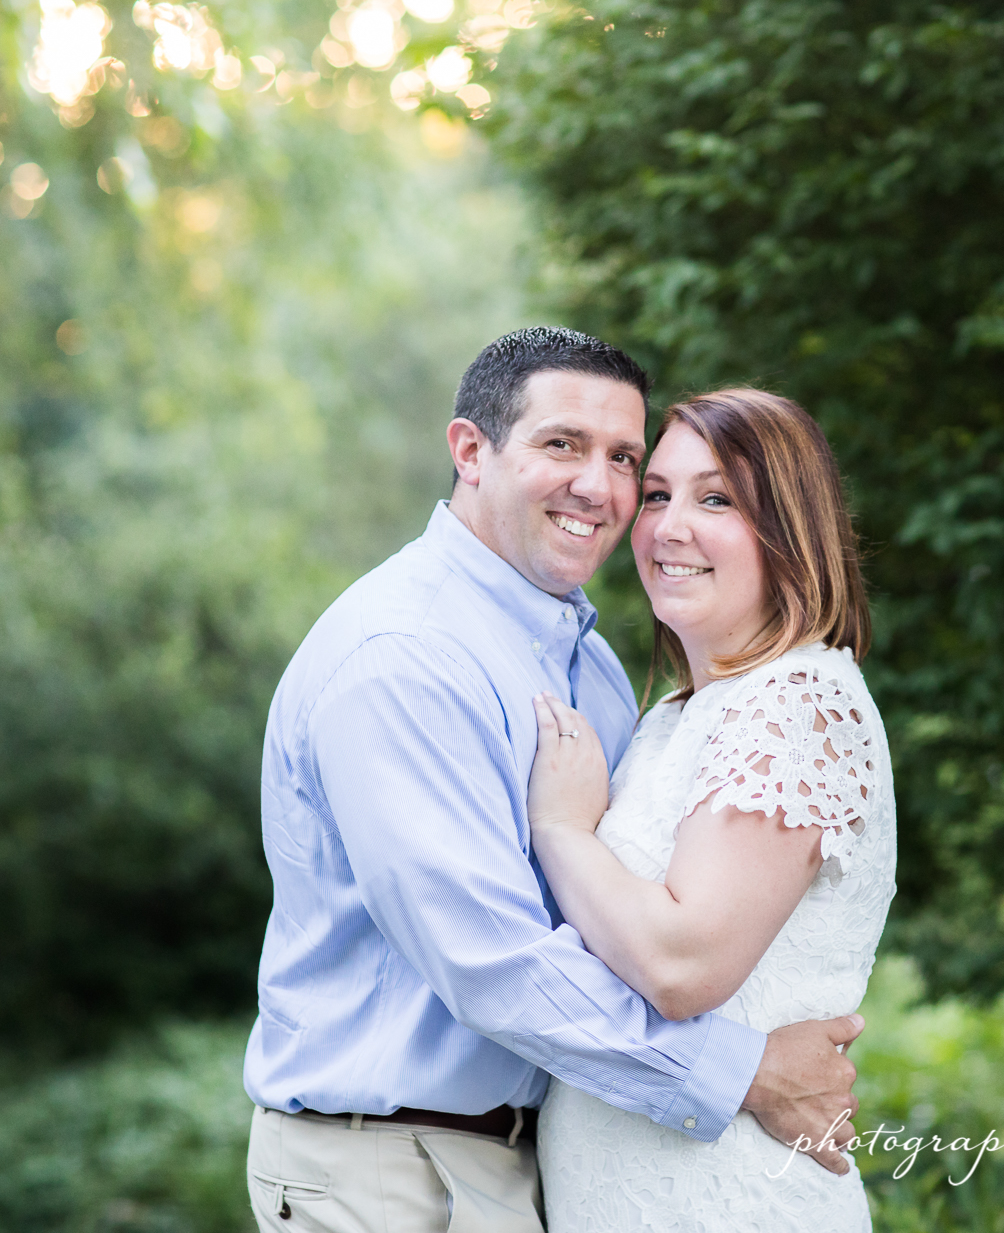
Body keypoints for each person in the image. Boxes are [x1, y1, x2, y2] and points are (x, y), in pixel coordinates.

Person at [241, 330, 863, 1233]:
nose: (601, 488)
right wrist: (742, 1070)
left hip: (533, 1165)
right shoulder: (402, 657)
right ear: (470, 450)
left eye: (623, 459)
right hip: (387, 1166)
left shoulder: (597, 668)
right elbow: (490, 960)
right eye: (562, 444)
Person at [528, 387, 896, 1232]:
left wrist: (558, 829)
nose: (668, 527)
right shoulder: (676, 718)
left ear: (789, 529)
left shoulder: (799, 702)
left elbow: (683, 965)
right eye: (657, 494)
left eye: (717, 498)